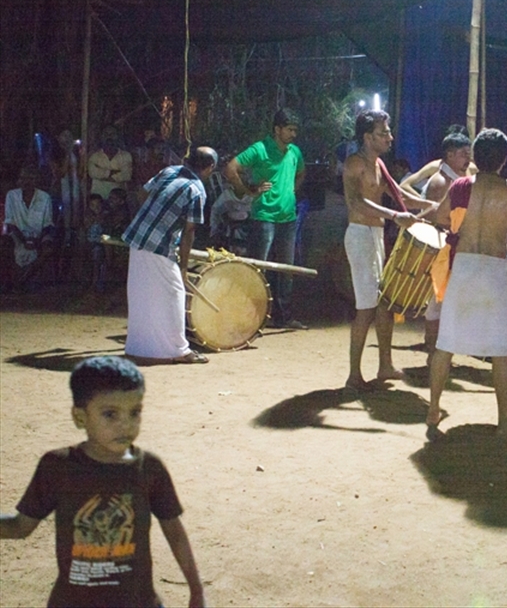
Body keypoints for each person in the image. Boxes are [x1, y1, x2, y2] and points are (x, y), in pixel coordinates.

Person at [0, 356, 205, 608]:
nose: (126, 425)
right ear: (80, 417)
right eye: (110, 414)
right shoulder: (57, 467)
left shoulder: (149, 469)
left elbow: (173, 530)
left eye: (135, 412)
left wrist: (197, 589)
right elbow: (21, 526)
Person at [425, 128, 507, 440]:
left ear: (475, 155)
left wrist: (461, 224)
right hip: (494, 270)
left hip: (464, 267)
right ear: (504, 160)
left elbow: (440, 217)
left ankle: (433, 408)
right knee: (501, 351)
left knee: (446, 345)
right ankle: (503, 422)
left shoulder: (460, 186)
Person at [342, 110, 437, 393]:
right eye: (384, 133)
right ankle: (353, 376)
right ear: (368, 137)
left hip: (375, 234)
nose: (390, 137)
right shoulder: (354, 164)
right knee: (366, 308)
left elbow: (402, 196)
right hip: (360, 235)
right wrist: (396, 216)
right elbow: (356, 203)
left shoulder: (379, 165)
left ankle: (384, 365)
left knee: (384, 303)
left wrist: (435, 206)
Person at [122, 147, 217, 365]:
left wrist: (151, 216)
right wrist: (183, 268)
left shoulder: (170, 171)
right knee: (175, 291)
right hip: (159, 244)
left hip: (138, 236)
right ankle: (179, 350)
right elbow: (189, 231)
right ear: (210, 167)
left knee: (141, 294)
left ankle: (137, 348)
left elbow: (142, 193)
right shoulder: (196, 189)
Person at [224, 108, 307, 330]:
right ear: (277, 129)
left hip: (287, 217)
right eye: (289, 130)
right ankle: (253, 316)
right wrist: (249, 191)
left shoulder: (294, 152)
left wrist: (290, 193)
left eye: (295, 130)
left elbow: (301, 174)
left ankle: (283, 316)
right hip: (263, 216)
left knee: (285, 269)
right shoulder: (260, 149)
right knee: (258, 268)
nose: (293, 134)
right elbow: (231, 168)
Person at [420, 129, 473, 359]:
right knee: (437, 303)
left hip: (452, 247)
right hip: (443, 249)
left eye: (469, 154)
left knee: (444, 303)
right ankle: (433, 352)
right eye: (463, 154)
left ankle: (437, 352)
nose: (468, 160)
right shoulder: (441, 182)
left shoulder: (457, 179)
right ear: (450, 155)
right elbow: (436, 218)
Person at [3, 165, 55, 290]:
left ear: (36, 180)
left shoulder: (45, 197)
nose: (26, 181)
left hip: (39, 235)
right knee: (3, 244)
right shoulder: (11, 195)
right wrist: (24, 240)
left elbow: (47, 225)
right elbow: (10, 223)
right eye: (23, 178)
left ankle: (23, 278)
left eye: (30, 178)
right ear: (19, 180)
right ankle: (13, 279)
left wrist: (36, 241)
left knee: (48, 249)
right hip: (17, 235)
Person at [87, 126, 133, 201]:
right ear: (101, 137)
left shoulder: (126, 156)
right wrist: (114, 173)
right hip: (98, 200)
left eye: (112, 134)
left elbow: (126, 175)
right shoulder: (94, 157)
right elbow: (92, 173)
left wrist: (102, 175)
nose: (109, 137)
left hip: (118, 200)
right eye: (106, 134)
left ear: (117, 136)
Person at [84, 193, 107, 293]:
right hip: (88, 243)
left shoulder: (105, 215)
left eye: (98, 206)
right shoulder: (87, 216)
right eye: (92, 206)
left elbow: (105, 226)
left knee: (98, 255)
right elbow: (86, 226)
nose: (95, 208)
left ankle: (96, 282)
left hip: (102, 244)